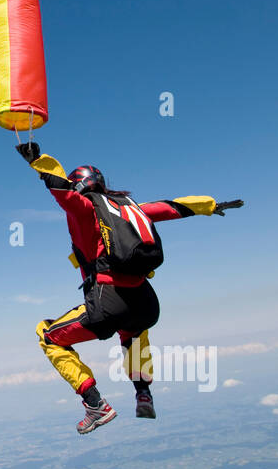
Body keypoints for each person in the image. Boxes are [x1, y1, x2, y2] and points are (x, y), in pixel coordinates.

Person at [16, 141, 242, 435]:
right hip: (146, 304)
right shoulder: (132, 209)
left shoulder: (86, 210)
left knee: (48, 336)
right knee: (133, 335)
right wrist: (210, 205)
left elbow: (63, 193)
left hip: (109, 301)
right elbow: (172, 207)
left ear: (81, 185)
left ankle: (95, 403)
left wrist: (39, 162)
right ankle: (143, 394)